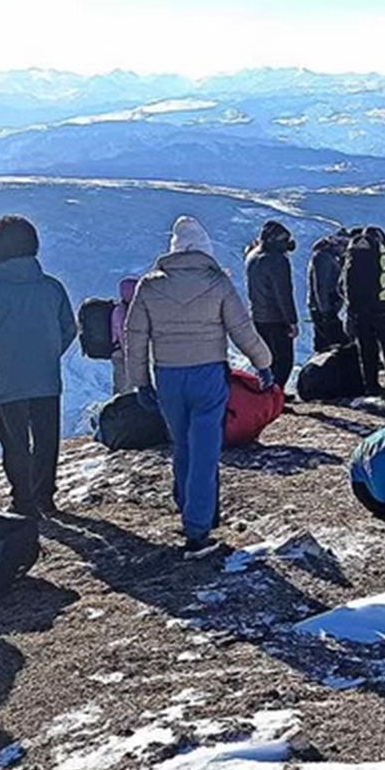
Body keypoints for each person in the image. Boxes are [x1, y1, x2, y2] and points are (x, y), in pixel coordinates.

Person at [124, 216, 273, 556]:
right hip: (208, 374)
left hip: (168, 376)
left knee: (183, 445)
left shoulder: (149, 286)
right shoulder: (217, 283)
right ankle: (197, 531)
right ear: (205, 250)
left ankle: (191, 506)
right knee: (206, 450)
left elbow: (135, 338)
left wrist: (140, 382)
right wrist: (263, 364)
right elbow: (242, 330)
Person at [0, 215, 78, 520]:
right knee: (47, 437)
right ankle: (46, 498)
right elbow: (68, 329)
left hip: (2, 380)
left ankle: (22, 501)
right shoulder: (52, 288)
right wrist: (48, 355)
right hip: (45, 377)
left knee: (14, 443)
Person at [342, 225, 385, 398]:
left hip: (359, 312)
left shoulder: (351, 257)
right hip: (382, 310)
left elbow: (342, 286)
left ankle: (371, 386)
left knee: (367, 350)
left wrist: (352, 305)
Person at [245, 221, 300, 399]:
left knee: (266, 359)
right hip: (276, 318)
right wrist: (291, 321)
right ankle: (275, 397)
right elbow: (283, 293)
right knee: (284, 361)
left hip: (258, 316)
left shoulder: (252, 256)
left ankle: (268, 393)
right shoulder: (277, 260)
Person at [306, 233, 348, 352]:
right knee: (333, 341)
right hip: (324, 308)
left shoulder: (329, 257)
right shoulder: (323, 258)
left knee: (326, 341)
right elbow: (321, 286)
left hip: (325, 307)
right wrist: (326, 311)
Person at [109, 276, 139, 394]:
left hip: (119, 354)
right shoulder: (123, 311)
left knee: (122, 387)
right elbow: (122, 333)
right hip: (123, 355)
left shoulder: (119, 310)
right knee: (124, 389)